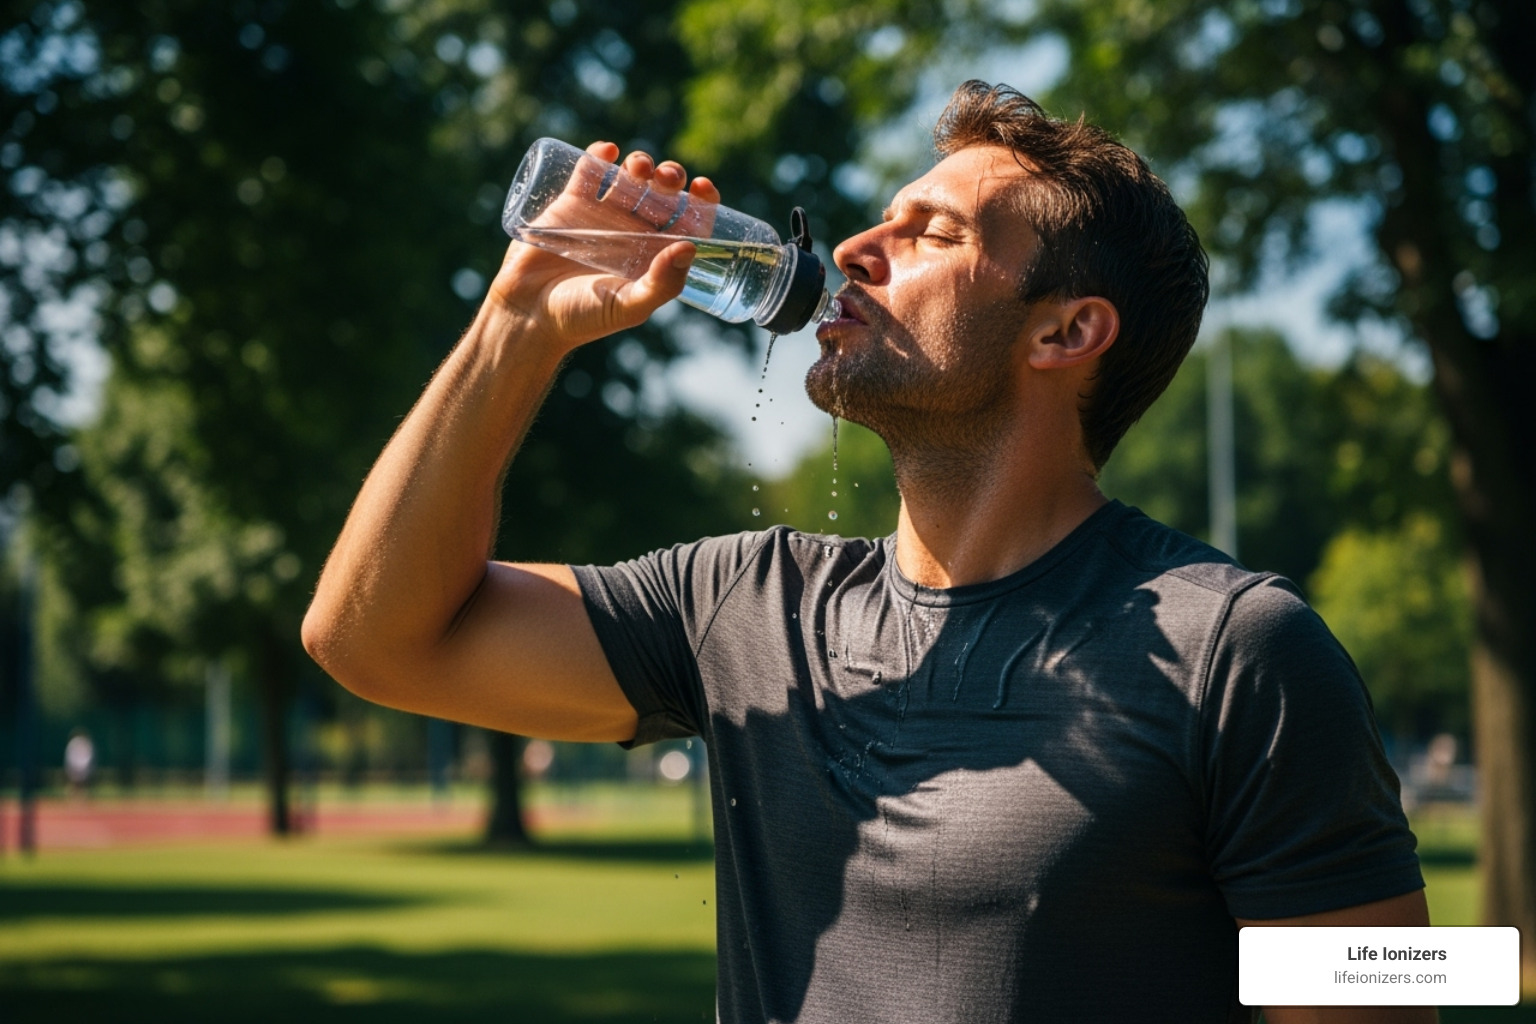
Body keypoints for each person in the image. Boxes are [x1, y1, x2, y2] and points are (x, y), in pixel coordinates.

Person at [303, 81, 1432, 1024]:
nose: (852, 248)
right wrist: (519, 322)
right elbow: (371, 637)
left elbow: (1395, 985)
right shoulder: (744, 609)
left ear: (1066, 332)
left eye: (934, 232)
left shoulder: (1236, 647)